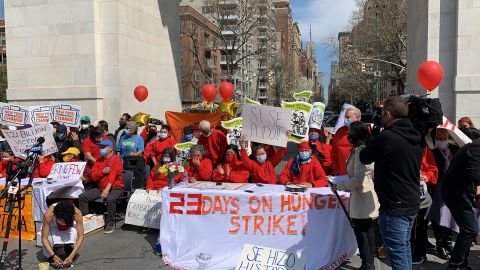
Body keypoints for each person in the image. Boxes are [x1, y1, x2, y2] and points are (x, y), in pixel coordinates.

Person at [359, 96, 424, 270]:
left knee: (397, 254)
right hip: (411, 201)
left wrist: (370, 139)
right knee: (404, 248)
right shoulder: (417, 136)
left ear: (388, 114)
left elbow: (364, 157)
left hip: (394, 205)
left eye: (382, 113)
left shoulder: (387, 137)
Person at [331, 121, 379, 270]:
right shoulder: (358, 149)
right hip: (361, 195)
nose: (348, 134)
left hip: (362, 196)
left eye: (350, 132)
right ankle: (369, 261)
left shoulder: (361, 151)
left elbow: (358, 179)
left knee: (363, 231)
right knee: (366, 229)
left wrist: (339, 186)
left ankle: (367, 263)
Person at [442, 137, 480, 270]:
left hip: (462, 191)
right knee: (470, 229)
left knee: (468, 229)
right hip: (455, 192)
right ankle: (455, 265)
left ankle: (462, 263)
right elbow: (475, 175)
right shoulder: (476, 147)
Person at [78, 140, 124, 233]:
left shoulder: (116, 159)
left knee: (110, 199)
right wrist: (103, 171)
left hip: (115, 188)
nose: (101, 149)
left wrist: (106, 190)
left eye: (103, 147)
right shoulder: (99, 160)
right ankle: (86, 220)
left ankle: (110, 222)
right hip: (101, 188)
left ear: (111, 148)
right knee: (82, 197)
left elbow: (113, 176)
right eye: (100, 147)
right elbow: (93, 176)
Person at [426, 129, 458, 260]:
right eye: (439, 137)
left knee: (451, 215)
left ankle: (448, 242)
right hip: (438, 187)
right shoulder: (432, 151)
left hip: (453, 188)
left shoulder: (455, 149)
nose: (442, 140)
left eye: (444, 137)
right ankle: (439, 246)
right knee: (438, 216)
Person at [411, 148, 438, 264]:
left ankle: (419, 253)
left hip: (421, 192)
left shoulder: (425, 150)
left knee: (419, 224)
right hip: (403, 191)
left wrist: (426, 176)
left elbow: (433, 170)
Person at [42, 201, 84, 268]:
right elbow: (44, 238)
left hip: (69, 227)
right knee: (49, 237)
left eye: (65, 221)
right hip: (53, 227)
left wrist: (71, 256)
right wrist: (53, 256)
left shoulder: (77, 213)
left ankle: (69, 247)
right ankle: (52, 251)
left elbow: (81, 236)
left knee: (75, 233)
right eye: (60, 220)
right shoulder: (49, 214)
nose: (62, 223)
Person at [331, 107, 361, 175]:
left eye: (348, 117)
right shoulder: (339, 132)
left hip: (358, 174)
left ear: (357, 117)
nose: (345, 119)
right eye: (345, 117)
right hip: (342, 173)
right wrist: (336, 171)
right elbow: (334, 153)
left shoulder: (364, 131)